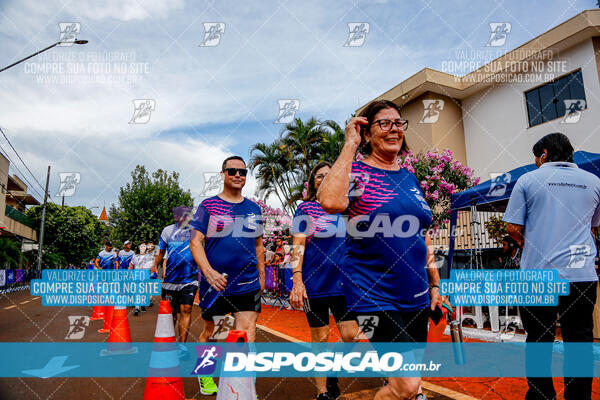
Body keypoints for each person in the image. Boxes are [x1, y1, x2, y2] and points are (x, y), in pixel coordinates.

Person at [318, 100, 441, 400]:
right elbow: (330, 201)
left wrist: (435, 282)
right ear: (368, 134)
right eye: (384, 123)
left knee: (411, 385)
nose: (394, 129)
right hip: (373, 293)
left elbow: (422, 234)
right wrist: (349, 145)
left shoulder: (410, 178)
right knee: (406, 385)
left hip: (414, 292)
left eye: (399, 123)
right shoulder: (358, 173)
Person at [503, 132, 600, 400]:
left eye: (536, 157)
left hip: (538, 275)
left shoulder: (528, 180)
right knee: (579, 342)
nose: (535, 162)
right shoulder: (593, 181)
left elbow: (512, 227)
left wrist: (531, 245)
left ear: (544, 154)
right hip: (581, 275)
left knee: (538, 341)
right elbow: (593, 224)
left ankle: (541, 395)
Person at [190, 155, 265, 396]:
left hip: (248, 283)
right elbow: (195, 242)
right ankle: (205, 373)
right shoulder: (208, 206)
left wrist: (262, 278)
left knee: (247, 334)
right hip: (216, 285)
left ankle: (243, 384)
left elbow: (259, 246)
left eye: (242, 172)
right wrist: (209, 272)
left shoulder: (254, 209)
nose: (237, 175)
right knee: (213, 333)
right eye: (232, 170)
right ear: (222, 174)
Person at [290, 161, 359, 400]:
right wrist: (297, 279)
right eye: (320, 176)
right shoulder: (305, 209)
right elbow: (297, 245)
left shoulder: (346, 208)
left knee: (351, 334)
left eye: (330, 175)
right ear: (313, 182)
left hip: (344, 284)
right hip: (314, 285)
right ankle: (322, 392)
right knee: (320, 338)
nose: (325, 179)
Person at [153, 206, 198, 358]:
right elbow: (160, 252)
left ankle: (182, 347)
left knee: (186, 309)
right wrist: (154, 266)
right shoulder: (167, 231)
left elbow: (203, 250)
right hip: (170, 281)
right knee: (171, 313)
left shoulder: (195, 231)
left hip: (189, 279)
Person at [131, 243, 155, 315]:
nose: (143, 247)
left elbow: (151, 266)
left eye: (144, 246)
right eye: (141, 246)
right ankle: (137, 308)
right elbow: (131, 265)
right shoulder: (135, 256)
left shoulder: (149, 256)